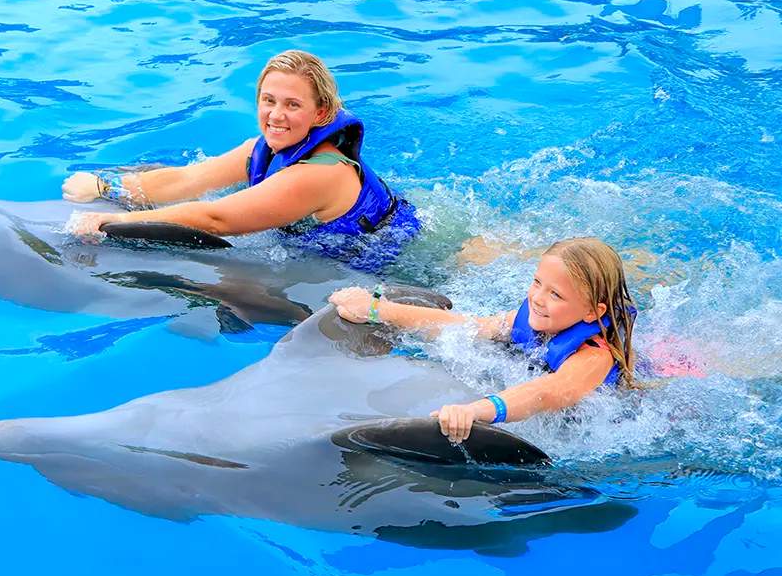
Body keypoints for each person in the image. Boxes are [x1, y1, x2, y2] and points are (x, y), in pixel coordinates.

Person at [62, 49, 419, 267]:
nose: (276, 115)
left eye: (293, 105)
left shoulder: (321, 174)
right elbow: (188, 180)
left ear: (322, 113)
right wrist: (106, 189)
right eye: (269, 100)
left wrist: (108, 223)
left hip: (396, 263)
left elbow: (216, 218)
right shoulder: (261, 150)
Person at [330, 237, 640, 441]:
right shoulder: (532, 321)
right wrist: (377, 309)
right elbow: (462, 326)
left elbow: (548, 393)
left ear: (591, 313)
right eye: (537, 283)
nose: (538, 299)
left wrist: (475, 411)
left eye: (556, 294)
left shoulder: (594, 356)